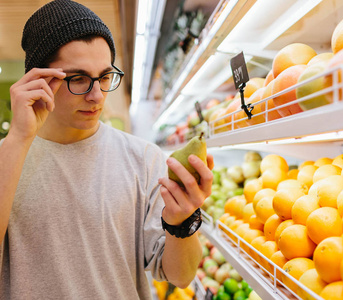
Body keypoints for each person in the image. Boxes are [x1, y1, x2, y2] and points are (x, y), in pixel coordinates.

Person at [0, 0, 213, 299]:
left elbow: (181, 275)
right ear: (38, 79)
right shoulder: (7, 158)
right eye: (78, 79)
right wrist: (19, 138)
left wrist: (182, 222)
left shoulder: (144, 159)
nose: (97, 96)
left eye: (104, 76)